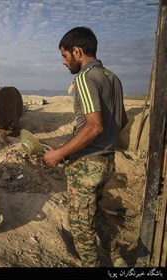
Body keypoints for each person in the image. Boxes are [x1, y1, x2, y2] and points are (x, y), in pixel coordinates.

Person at [43, 26, 128, 267]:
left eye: (64, 55)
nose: (63, 62)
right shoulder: (113, 78)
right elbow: (122, 120)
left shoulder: (85, 78)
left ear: (77, 51)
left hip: (88, 163)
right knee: (95, 212)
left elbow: (93, 127)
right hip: (107, 161)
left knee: (80, 225)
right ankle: (115, 256)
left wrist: (58, 153)